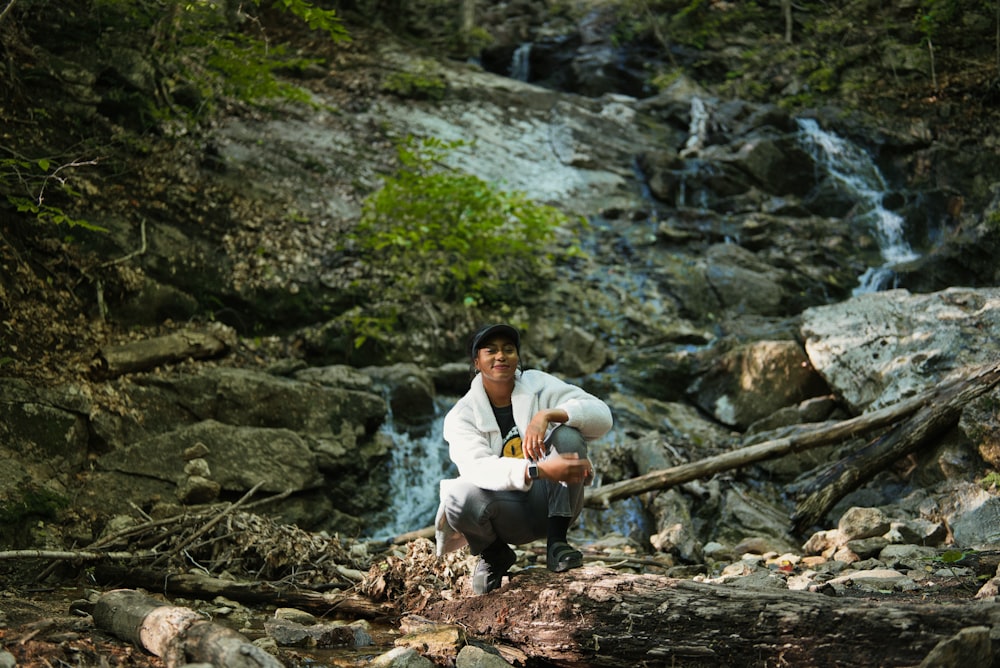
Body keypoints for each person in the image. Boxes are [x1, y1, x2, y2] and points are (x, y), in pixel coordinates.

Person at [434, 323, 613, 595]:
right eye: (490, 351)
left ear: (517, 357)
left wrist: (548, 416)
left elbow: (602, 416)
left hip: (550, 502)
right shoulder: (461, 416)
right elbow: (477, 469)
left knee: (567, 436)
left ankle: (557, 543)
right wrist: (539, 470)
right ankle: (494, 554)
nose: (501, 356)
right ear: (476, 362)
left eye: (509, 349)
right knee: (456, 496)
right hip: (504, 514)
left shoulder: (538, 384)